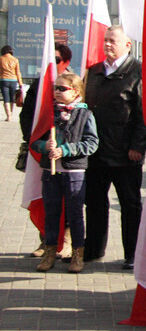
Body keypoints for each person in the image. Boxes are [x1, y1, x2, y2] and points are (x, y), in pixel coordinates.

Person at [83, 26, 146, 268]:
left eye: (113, 40)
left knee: (130, 205)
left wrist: (138, 145)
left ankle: (133, 254)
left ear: (127, 45)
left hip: (125, 153)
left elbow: (145, 113)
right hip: (95, 152)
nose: (108, 44)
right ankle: (92, 249)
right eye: (105, 40)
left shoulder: (138, 72)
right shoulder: (94, 72)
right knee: (94, 202)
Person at [32, 72, 99, 274]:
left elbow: (92, 143)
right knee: (51, 212)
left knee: (75, 214)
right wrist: (45, 145)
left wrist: (66, 149)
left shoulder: (85, 114)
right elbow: (34, 140)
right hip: (50, 171)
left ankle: (77, 253)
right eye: (56, 88)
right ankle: (50, 250)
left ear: (75, 91)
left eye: (62, 89)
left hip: (74, 171)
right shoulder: (48, 113)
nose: (57, 92)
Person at [21, 42, 73, 258]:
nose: (54, 63)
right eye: (50, 59)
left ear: (66, 62)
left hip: (67, 155)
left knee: (68, 200)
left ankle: (68, 241)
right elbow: (27, 115)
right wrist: (34, 141)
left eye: (58, 60)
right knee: (45, 199)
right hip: (42, 152)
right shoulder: (39, 85)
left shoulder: (74, 83)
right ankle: (46, 240)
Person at [0, 45, 24, 121]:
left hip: (4, 80)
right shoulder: (15, 60)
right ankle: (11, 113)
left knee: (6, 98)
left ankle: (8, 116)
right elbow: (18, 72)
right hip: (13, 81)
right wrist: (20, 83)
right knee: (12, 98)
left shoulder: (1, 59)